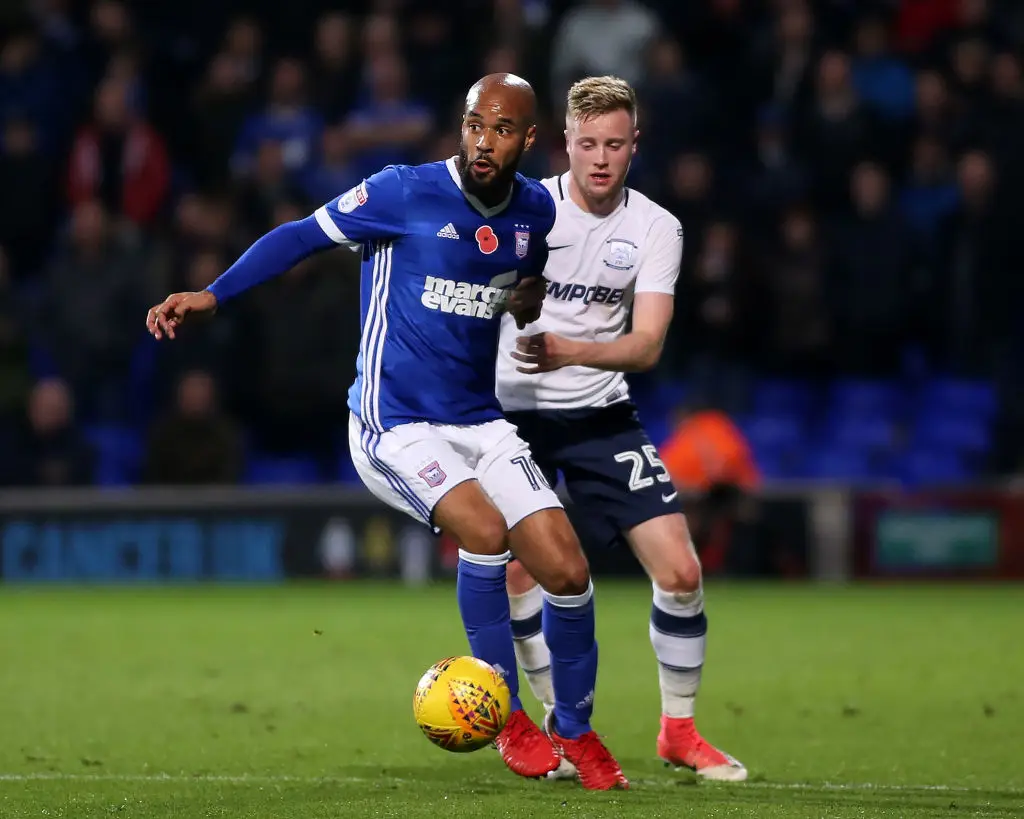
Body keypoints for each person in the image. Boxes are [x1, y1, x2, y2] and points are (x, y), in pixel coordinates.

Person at [145, 73, 628, 791]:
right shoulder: (402, 191)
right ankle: (509, 713)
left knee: (567, 568)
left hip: (479, 420)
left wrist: (525, 303)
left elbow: (521, 276)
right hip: (392, 424)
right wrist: (215, 292)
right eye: (473, 124)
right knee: (485, 531)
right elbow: (300, 235)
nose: (483, 140)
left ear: (530, 140)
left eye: (500, 129)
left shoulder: (534, 212)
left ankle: (578, 731)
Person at [497, 76, 747, 782]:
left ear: (635, 145)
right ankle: (562, 726)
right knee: (523, 570)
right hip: (513, 418)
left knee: (681, 569)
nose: (600, 158)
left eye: (614, 144)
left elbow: (646, 346)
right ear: (563, 144)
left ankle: (679, 731)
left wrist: (566, 350)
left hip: (601, 411)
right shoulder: (525, 207)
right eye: (587, 144)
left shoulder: (656, 227)